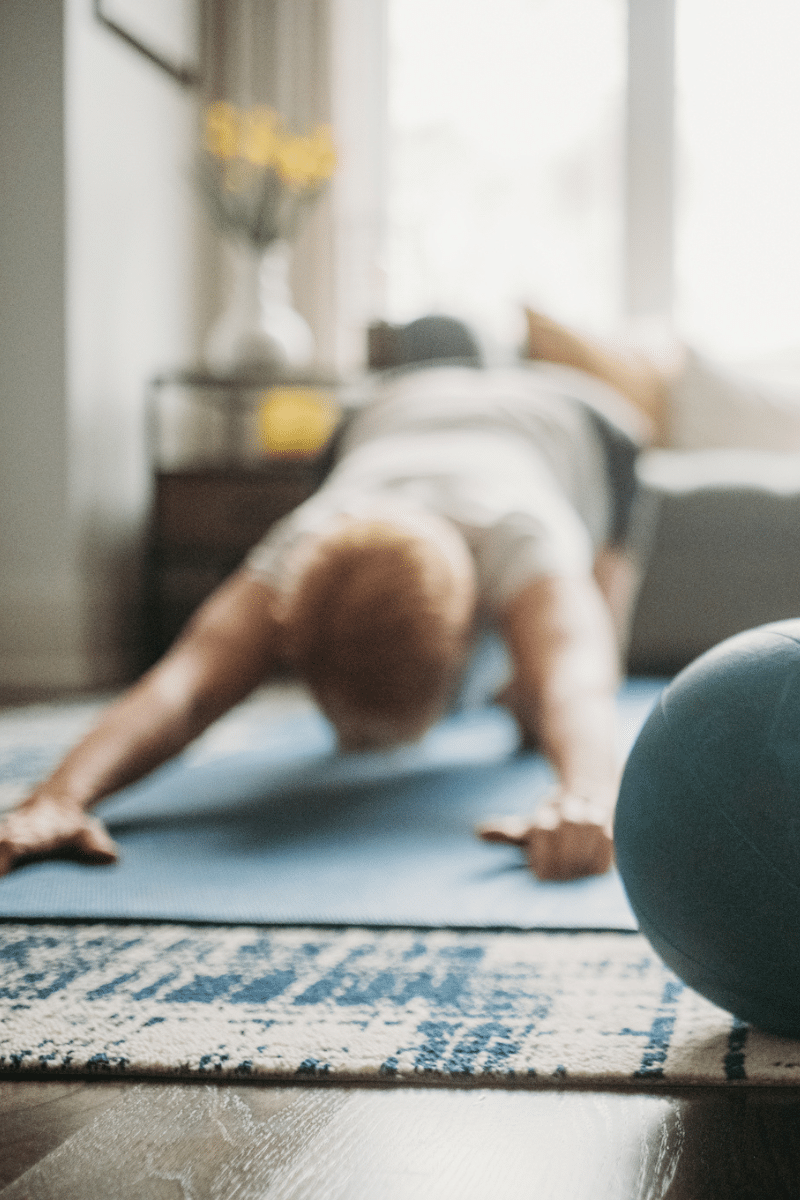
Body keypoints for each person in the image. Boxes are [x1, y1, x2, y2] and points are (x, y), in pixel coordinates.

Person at [3, 309, 799, 884]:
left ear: (464, 637)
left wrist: (585, 792)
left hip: (582, 425)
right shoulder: (304, 540)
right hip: (387, 416)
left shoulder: (525, 535)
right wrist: (57, 798)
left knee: (540, 701)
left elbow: (579, 679)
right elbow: (182, 688)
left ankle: (515, 710)